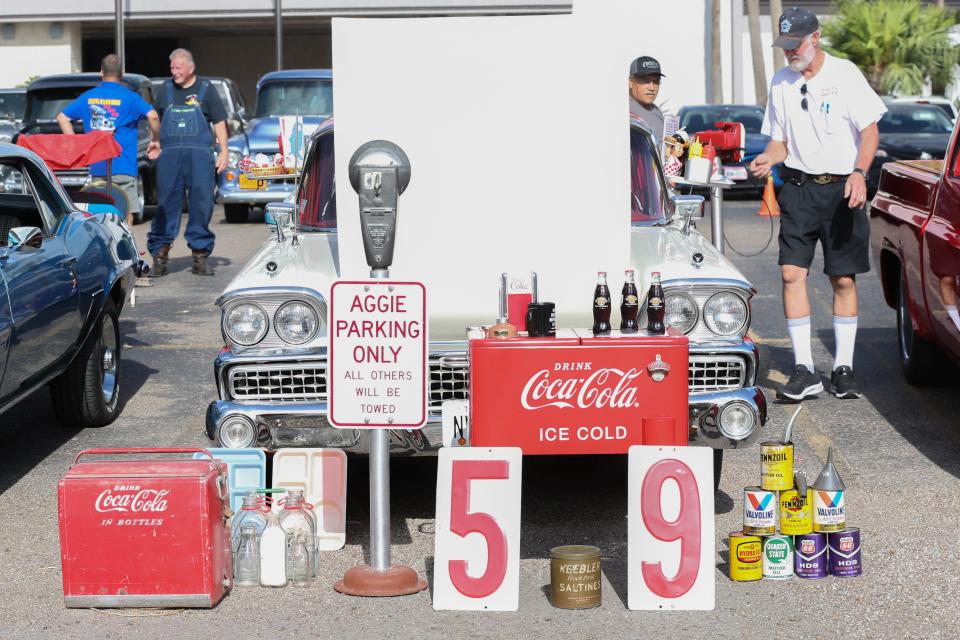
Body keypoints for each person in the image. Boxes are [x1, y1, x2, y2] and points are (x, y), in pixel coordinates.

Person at [749, 7, 886, 401]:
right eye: (785, 45)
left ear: (816, 37)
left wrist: (860, 173)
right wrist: (768, 157)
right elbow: (780, 140)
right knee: (792, 274)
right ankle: (804, 369)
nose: (790, 52)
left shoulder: (844, 74)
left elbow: (869, 132)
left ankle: (843, 368)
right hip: (798, 190)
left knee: (842, 278)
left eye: (795, 44)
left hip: (844, 189)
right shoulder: (781, 83)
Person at [147, 48, 229, 277]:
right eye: (172, 68)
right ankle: (160, 256)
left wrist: (224, 151)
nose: (174, 72)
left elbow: (220, 122)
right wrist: (155, 141)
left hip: (200, 156)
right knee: (165, 205)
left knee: (202, 204)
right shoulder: (165, 90)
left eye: (178, 68)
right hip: (170, 158)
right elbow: (156, 120)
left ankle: (200, 257)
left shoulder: (205, 89)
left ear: (191, 68)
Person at [57, 54, 160, 228]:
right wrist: (155, 140)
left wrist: (78, 143)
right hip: (124, 167)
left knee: (101, 216)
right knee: (125, 214)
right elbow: (153, 116)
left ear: (101, 72)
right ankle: (125, 252)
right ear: (122, 73)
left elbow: (62, 117)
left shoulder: (88, 97)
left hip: (98, 167)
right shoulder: (131, 97)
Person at [628, 56, 665, 143]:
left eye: (656, 81)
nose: (652, 88)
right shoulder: (624, 111)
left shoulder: (655, 110)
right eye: (645, 81)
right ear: (630, 82)